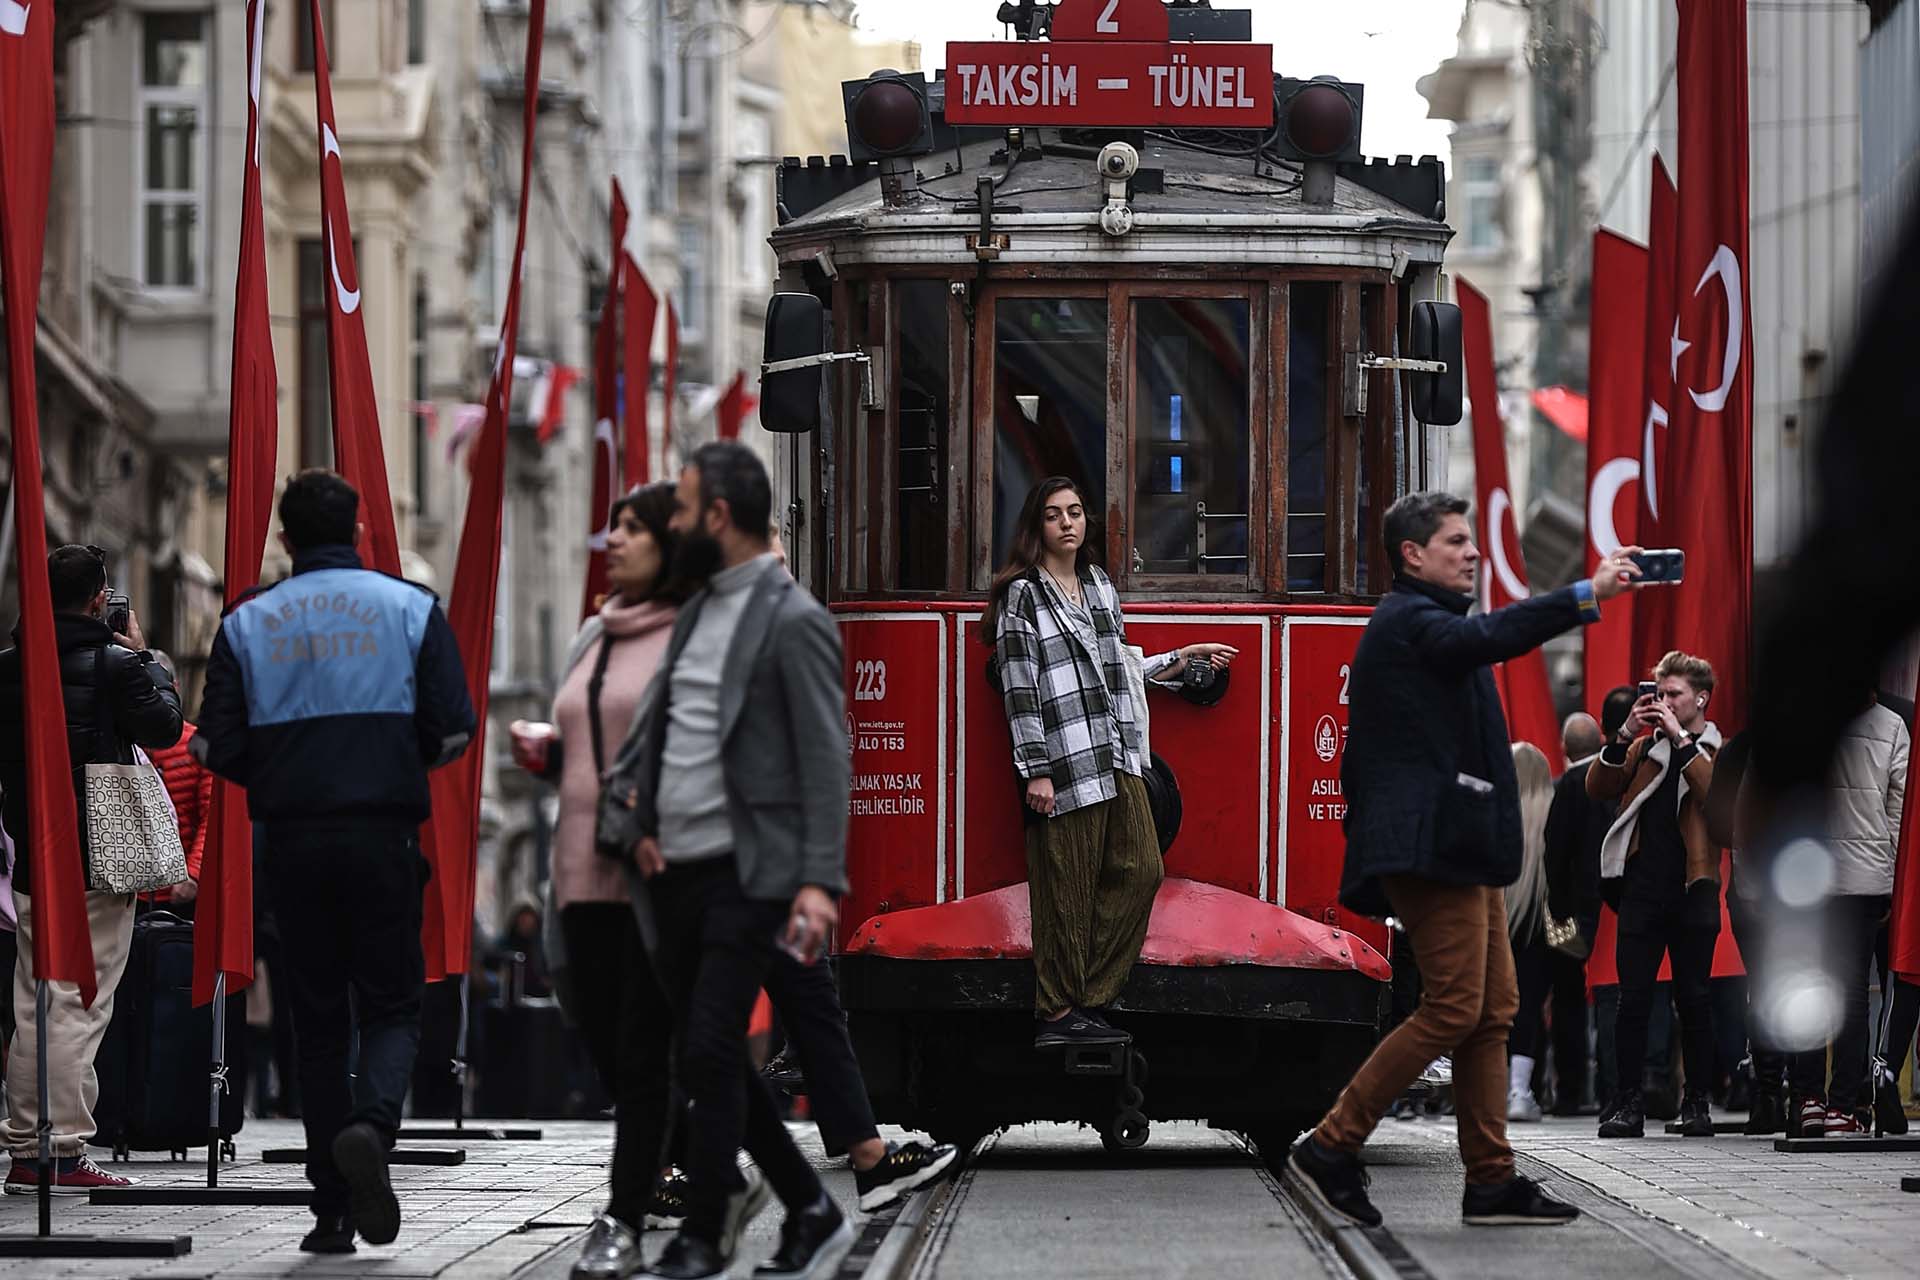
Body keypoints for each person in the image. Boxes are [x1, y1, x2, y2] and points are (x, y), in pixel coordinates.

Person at [1287, 490, 1640, 1229]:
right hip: (1433, 848)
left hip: (1460, 846)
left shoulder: (1432, 625)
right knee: (1453, 1005)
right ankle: (1331, 1144)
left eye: (1470, 541)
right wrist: (1585, 594)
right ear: (1413, 555)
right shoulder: (1412, 623)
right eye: (1456, 541)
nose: (1472, 551)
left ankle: (1490, 1181)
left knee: (1492, 1010)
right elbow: (1492, 637)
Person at [194, 470, 476, 1254]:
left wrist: (286, 776)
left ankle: (332, 1214)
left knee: (316, 1022)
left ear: (285, 538)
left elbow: (214, 745)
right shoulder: (411, 609)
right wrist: (390, 762)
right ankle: (372, 1128)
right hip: (384, 834)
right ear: (356, 532)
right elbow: (455, 729)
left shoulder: (248, 622)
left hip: (292, 840)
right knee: (391, 1004)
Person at [610, 441, 852, 1280]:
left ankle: (706, 1229)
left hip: (751, 871)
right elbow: (668, 721)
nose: (671, 524)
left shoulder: (792, 619)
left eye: (679, 509)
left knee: (710, 1043)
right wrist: (640, 810)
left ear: (717, 517)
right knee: (699, 1051)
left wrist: (819, 883)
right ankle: (809, 1205)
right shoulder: (698, 607)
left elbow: (827, 759)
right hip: (675, 866)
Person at [982, 476, 1234, 1048]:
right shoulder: (1023, 595)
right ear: (1036, 527)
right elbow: (1021, 689)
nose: (1067, 523)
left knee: (1143, 867)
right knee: (1066, 885)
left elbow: (1118, 667)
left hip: (1116, 753)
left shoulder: (1097, 585)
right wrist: (1036, 770)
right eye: (1053, 515)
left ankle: (1088, 1000)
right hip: (1065, 758)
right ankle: (1057, 1012)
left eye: (1074, 512)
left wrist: (1179, 658)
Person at [0, 544, 183, 1194]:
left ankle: (27, 1145)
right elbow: (166, 730)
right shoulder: (117, 664)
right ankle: (60, 1149)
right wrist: (146, 660)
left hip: (33, 853)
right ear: (100, 598)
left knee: (34, 999)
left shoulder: (8, 667)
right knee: (80, 999)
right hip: (99, 856)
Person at [1588, 653, 1723, 1139]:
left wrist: (1683, 741)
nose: (1663, 703)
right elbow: (1598, 786)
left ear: (1701, 699)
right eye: (1659, 694)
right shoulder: (1645, 750)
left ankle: (1697, 1103)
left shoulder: (1712, 750)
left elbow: (1719, 803)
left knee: (1694, 999)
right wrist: (1622, 736)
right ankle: (1628, 1103)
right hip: (1642, 891)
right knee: (1633, 1001)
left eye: (1674, 695)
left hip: (1694, 890)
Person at [1802, 695, 1907, 1135]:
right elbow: (1898, 809)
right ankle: (1843, 1107)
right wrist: (1898, 876)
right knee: (1851, 995)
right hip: (1866, 878)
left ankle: (1806, 1099)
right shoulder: (1891, 724)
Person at [1542, 702, 1626, 1114]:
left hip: (1569, 913)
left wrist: (1555, 913)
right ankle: (1615, 1088)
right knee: (1612, 995)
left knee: (1568, 999)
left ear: (1563, 747)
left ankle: (1572, 1090)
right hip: (1613, 907)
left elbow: (1554, 856)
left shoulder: (1566, 788)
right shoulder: (1618, 782)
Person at [1504, 742, 1555, 1122]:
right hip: (1542, 928)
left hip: (1498, 925)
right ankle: (1521, 1091)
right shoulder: (1552, 816)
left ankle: (1493, 1088)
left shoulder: (1496, 815)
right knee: (1530, 1007)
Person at [145, 651, 212, 913]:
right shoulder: (122, 744)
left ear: (173, 689)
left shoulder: (196, 745)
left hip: (181, 892)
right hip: (130, 893)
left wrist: (193, 874)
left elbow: (211, 815)